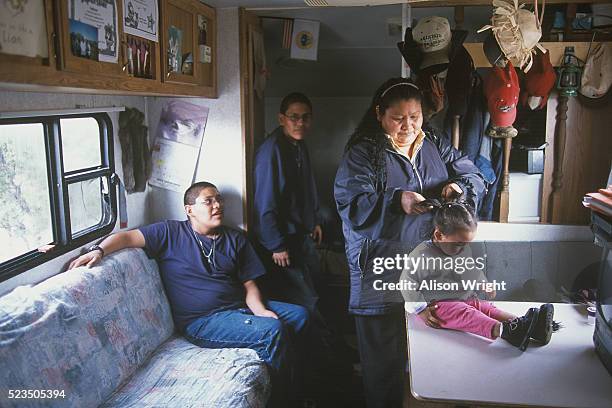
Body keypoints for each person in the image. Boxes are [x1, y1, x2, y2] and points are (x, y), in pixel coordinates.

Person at [68, 181, 309, 406]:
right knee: (273, 331)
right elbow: (127, 237)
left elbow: (250, 285)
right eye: (208, 201)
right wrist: (99, 250)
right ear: (189, 209)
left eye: (219, 200)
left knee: (300, 315)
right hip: (203, 321)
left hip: (239, 309)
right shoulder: (169, 232)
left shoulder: (235, 238)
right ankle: (287, 399)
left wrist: (261, 311)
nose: (218, 205)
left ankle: (295, 376)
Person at [334, 77, 486, 408]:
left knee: (437, 354)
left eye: (414, 116)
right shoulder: (363, 153)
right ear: (379, 114)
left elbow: (473, 174)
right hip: (381, 272)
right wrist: (396, 201)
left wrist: (458, 187)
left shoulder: (433, 142)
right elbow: (352, 204)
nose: (408, 125)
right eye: (398, 118)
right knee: (383, 368)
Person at [401, 199, 557, 351]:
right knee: (467, 314)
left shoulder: (460, 250)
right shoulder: (422, 255)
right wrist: (420, 309)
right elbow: (407, 283)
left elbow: (471, 270)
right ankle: (506, 331)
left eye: (467, 244)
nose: (463, 249)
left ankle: (526, 324)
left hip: (462, 298)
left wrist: (483, 283)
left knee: (483, 306)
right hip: (436, 306)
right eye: (459, 244)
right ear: (439, 235)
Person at [253, 92, 324, 321]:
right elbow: (264, 202)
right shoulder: (272, 150)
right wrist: (276, 244)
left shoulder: (298, 144)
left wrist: (313, 221)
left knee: (317, 288)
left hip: (301, 232)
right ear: (281, 118)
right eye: (294, 117)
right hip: (283, 241)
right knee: (305, 298)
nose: (300, 123)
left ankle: (328, 345)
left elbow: (306, 186)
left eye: (306, 117)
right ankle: (322, 353)